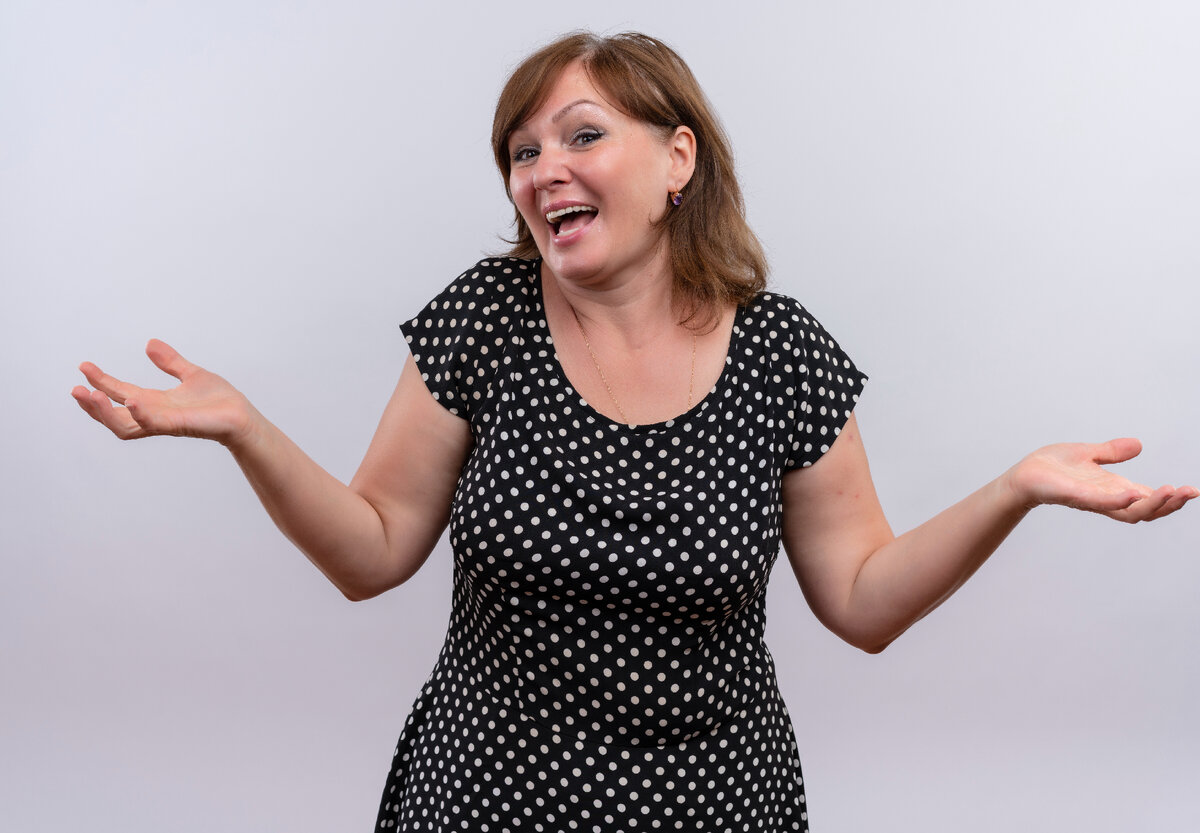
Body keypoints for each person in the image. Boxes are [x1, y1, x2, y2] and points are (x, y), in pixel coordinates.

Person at [72, 31, 1195, 833]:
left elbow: (861, 600)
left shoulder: (783, 353)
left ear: (677, 160)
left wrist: (1016, 489)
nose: (542, 168)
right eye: (520, 151)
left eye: (580, 134)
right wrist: (245, 429)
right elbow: (372, 552)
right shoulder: (485, 317)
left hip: (716, 799)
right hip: (486, 794)